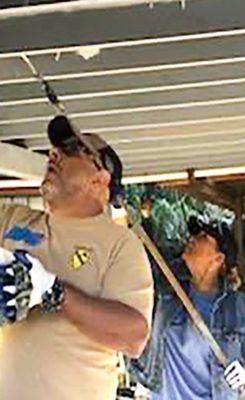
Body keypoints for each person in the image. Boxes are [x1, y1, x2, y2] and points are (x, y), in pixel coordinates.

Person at [0, 115, 154, 400]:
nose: (53, 154)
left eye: (72, 149)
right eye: (55, 149)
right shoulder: (9, 219)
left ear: (101, 178)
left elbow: (133, 338)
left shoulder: (120, 245)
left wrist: (53, 291)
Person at [130, 216, 245, 400]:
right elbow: (145, 253)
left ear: (218, 259)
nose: (192, 239)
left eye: (203, 238)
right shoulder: (169, 288)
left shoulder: (236, 306)